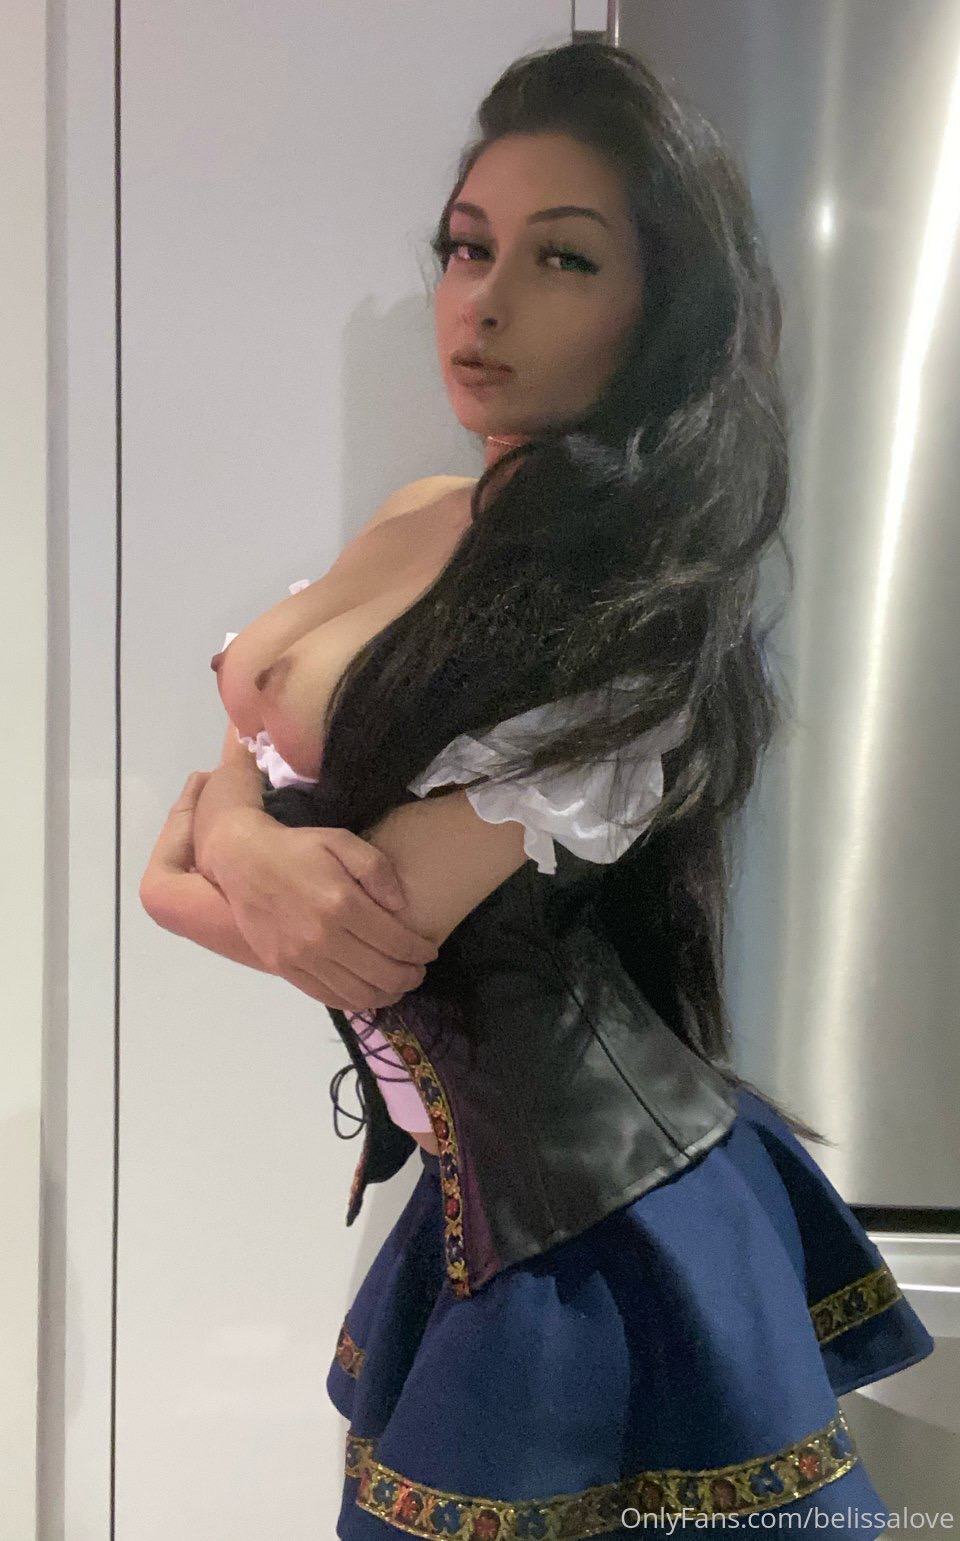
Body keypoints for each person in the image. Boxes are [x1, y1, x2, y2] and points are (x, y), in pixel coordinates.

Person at [140, 40, 935, 1537]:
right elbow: (233, 787)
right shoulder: (424, 514)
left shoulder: (627, 608)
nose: (484, 299)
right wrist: (242, 838)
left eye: (563, 258)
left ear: (660, 308)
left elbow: (361, 933)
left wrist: (211, 859)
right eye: (468, 246)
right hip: (476, 1206)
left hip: (601, 1234)